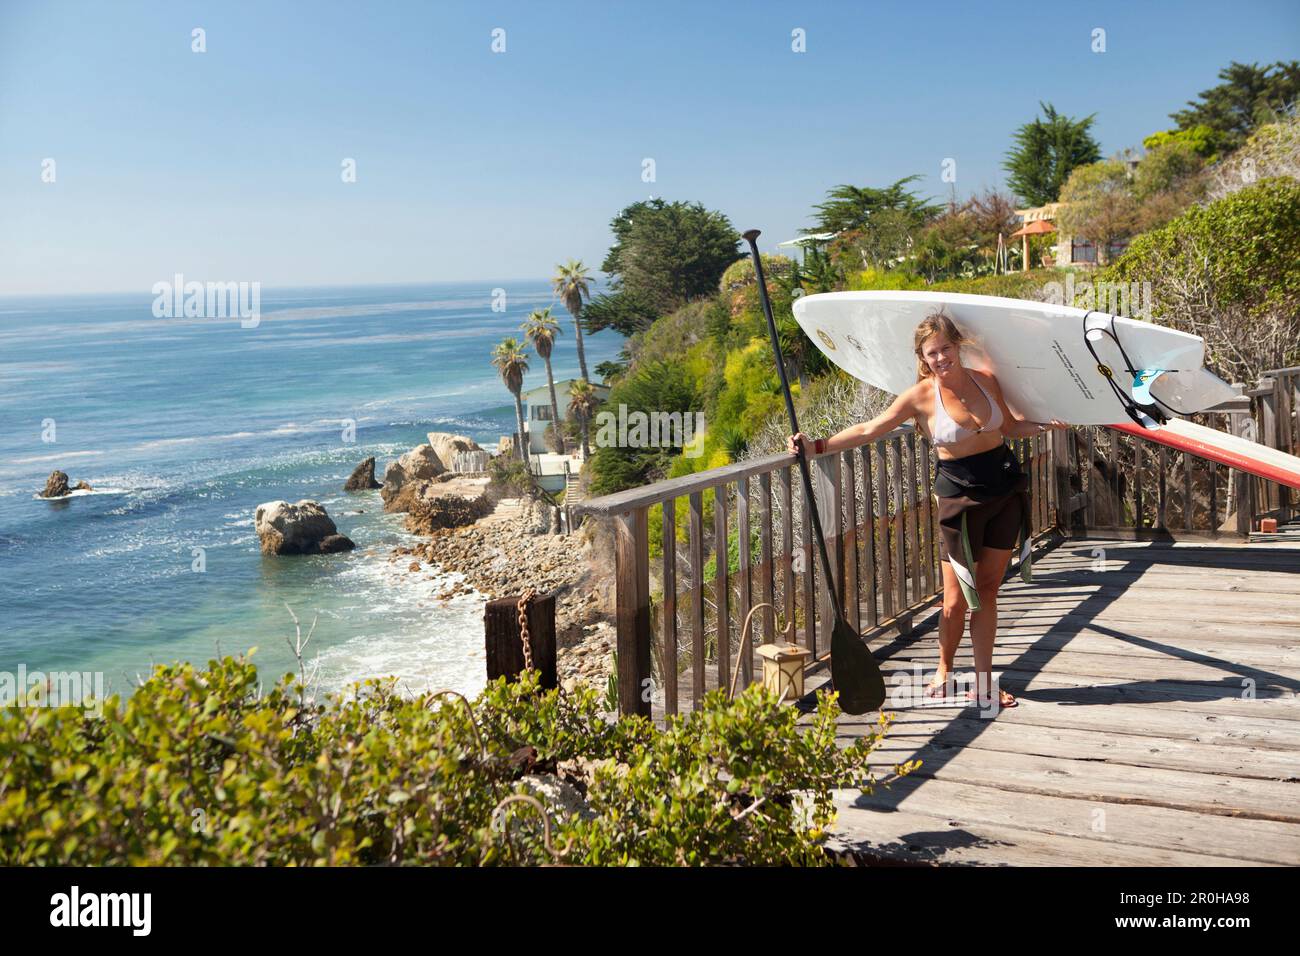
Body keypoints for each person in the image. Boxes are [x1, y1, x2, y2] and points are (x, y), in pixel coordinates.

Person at [787, 311, 1066, 710]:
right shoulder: (921, 395)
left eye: (946, 349)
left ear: (957, 347)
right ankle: (943, 667)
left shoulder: (985, 380)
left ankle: (984, 684)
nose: (940, 358)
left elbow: (1009, 427)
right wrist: (816, 446)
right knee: (955, 600)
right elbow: (871, 429)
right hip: (958, 500)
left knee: (987, 592)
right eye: (931, 353)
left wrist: (1043, 426)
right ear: (923, 357)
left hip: (1004, 489)